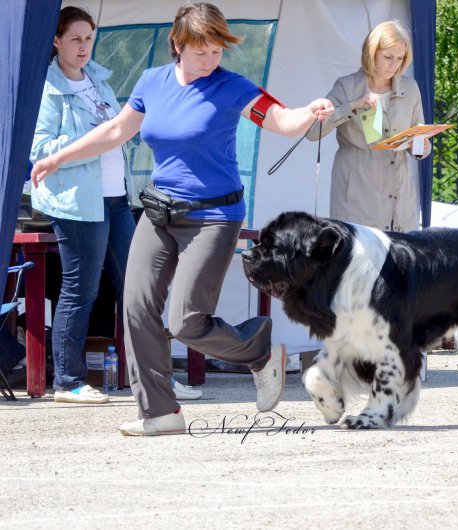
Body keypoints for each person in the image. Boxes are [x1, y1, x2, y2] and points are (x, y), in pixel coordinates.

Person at [30, 3, 334, 435]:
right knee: (135, 306)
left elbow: (282, 120)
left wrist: (311, 111)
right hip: (159, 214)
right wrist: (59, 157)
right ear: (177, 45)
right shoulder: (152, 82)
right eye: (201, 52)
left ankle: (259, 351)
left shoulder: (233, 87)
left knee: (186, 321)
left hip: (214, 217)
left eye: (216, 52)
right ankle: (160, 413)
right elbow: (117, 130)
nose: (211, 61)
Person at [29, 6, 136, 405]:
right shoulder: (47, 86)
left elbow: (120, 131)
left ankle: (151, 377)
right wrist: (91, 140)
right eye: (75, 38)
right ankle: (69, 382)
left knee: (138, 285)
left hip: (117, 198)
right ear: (55, 41)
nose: (83, 46)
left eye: (89, 38)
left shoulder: (98, 80)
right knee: (81, 290)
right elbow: (39, 148)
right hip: (77, 203)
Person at [306, 20, 430, 232]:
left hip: (399, 199)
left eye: (400, 58)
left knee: (399, 261)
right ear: (372, 53)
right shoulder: (346, 86)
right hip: (357, 195)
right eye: (388, 57)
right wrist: (353, 106)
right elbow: (312, 132)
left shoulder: (410, 88)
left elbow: (419, 139)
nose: (395, 65)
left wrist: (420, 147)